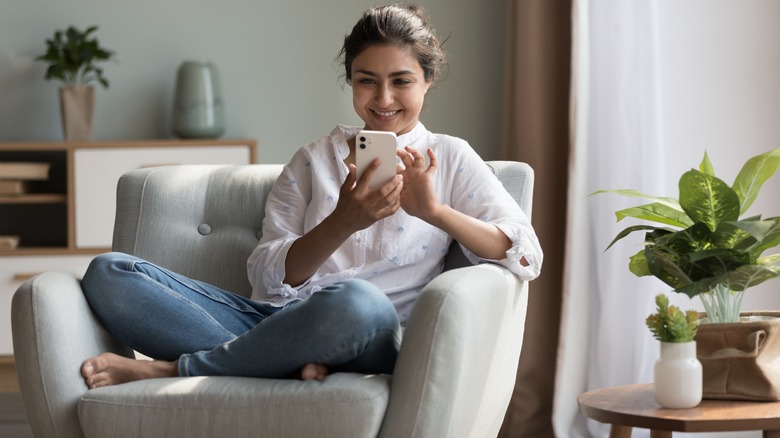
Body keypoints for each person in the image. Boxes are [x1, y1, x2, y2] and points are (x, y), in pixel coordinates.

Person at [80, 3, 543, 389]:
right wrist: (344, 221)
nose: (383, 98)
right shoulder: (312, 160)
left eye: (401, 81)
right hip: (274, 322)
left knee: (354, 301)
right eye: (367, 80)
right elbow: (266, 279)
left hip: (368, 330)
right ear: (351, 80)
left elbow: (524, 255)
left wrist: (435, 212)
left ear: (427, 81)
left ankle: (173, 369)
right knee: (110, 272)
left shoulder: (451, 157)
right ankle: (282, 361)